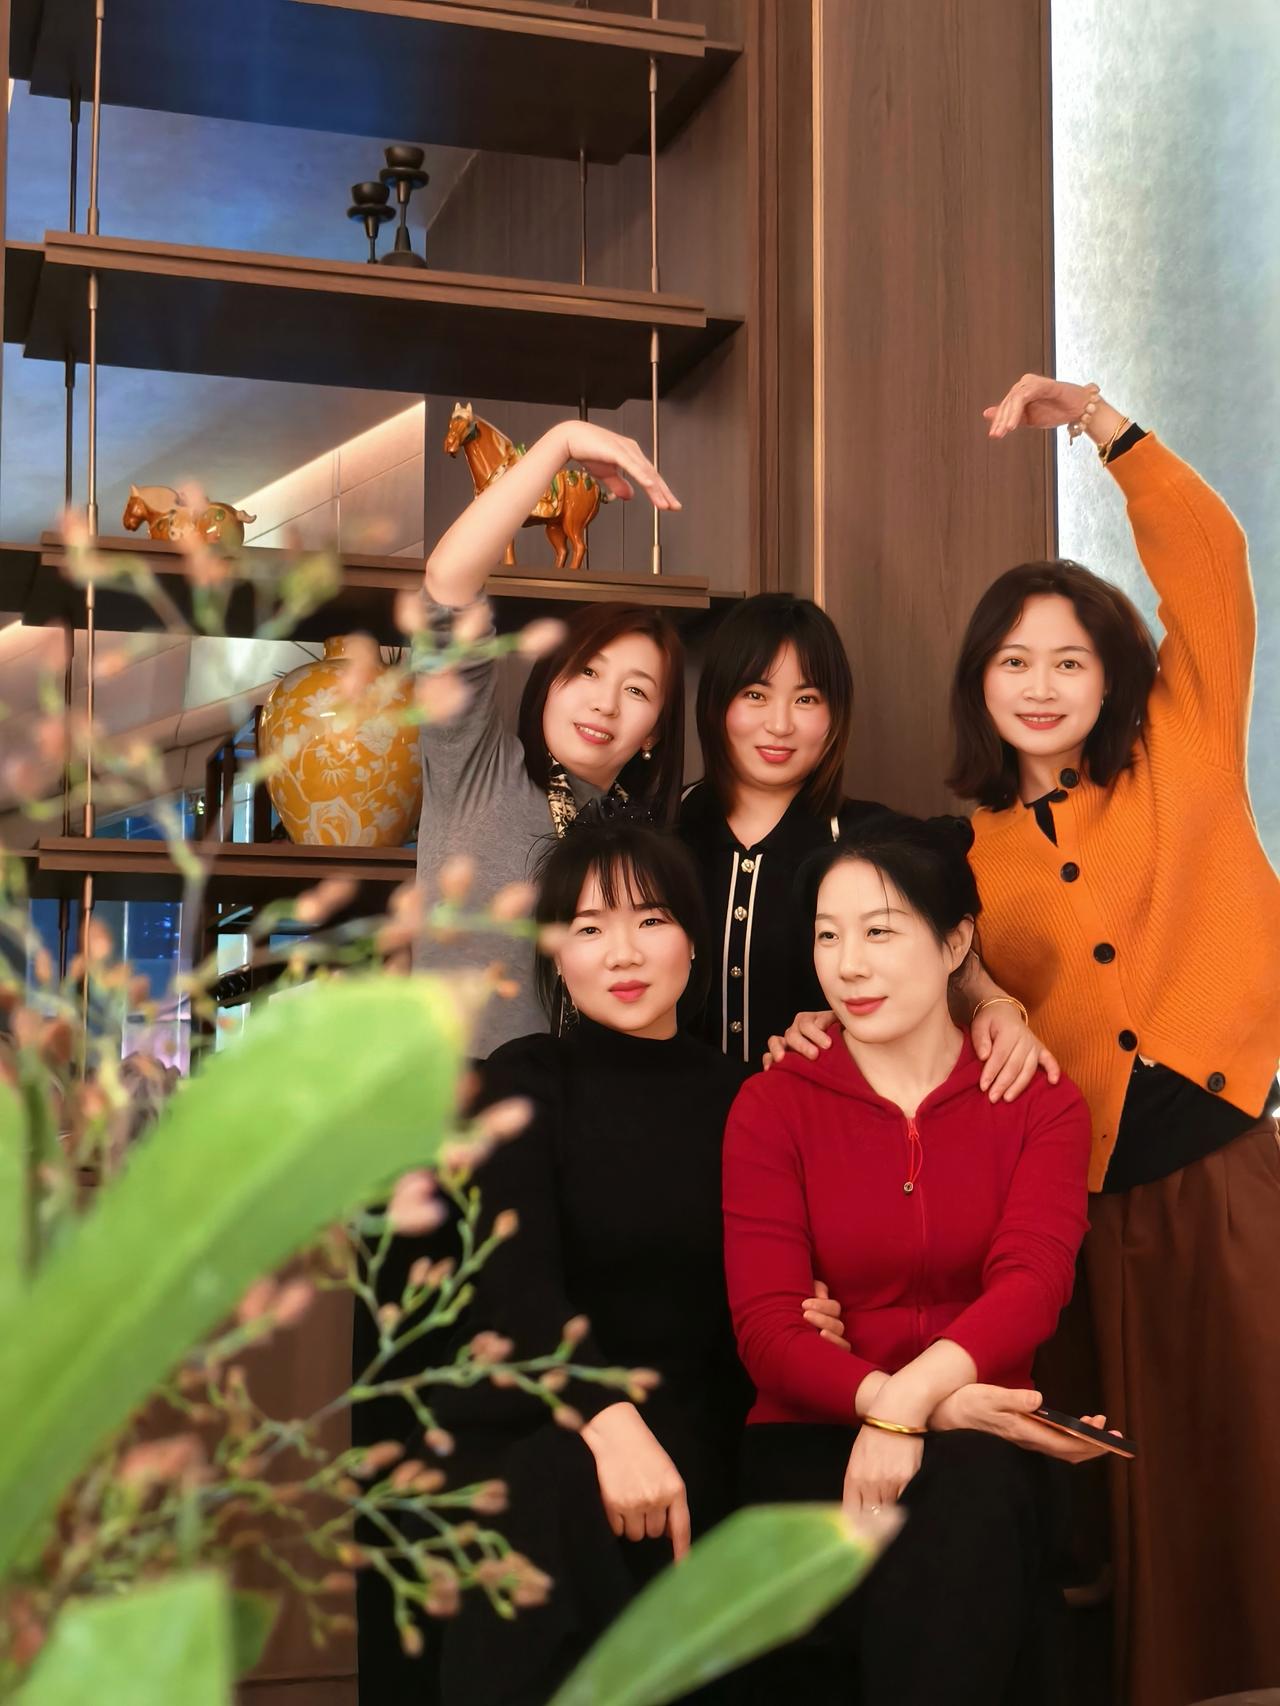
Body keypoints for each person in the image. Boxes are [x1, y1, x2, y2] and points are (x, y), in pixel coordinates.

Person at [944, 372, 1280, 1706]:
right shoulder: (968, 850)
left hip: (1228, 1158)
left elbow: (1213, 562)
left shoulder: (1183, 739)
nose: (1040, 686)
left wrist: (1100, 425)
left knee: (1255, 1447)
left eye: (1068, 659)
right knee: (1125, 1490)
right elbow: (941, 979)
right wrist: (987, 995)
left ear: (1110, 671)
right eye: (1013, 662)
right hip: (1081, 1204)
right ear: (979, 683)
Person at [723, 811, 1102, 1705]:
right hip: (813, 1436)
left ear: (956, 942)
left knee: (973, 1491)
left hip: (979, 1445)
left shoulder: (1040, 1103)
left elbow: (1034, 1284)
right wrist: (905, 1407)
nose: (848, 965)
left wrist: (909, 1406)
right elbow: (769, 1331)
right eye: (828, 936)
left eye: (880, 932)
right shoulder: (772, 1105)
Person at [430, 807, 755, 1706]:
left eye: (651, 920)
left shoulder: (749, 1098)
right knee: (551, 1484)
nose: (624, 953)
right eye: (589, 928)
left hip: (692, 1431)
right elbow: (512, 1287)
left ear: (694, 941)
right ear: (557, 956)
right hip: (541, 1416)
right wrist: (609, 1423)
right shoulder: (522, 1080)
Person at [685, 593, 1059, 1098]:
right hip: (675, 1123)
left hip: (826, 1120)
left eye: (806, 699)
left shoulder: (871, 840)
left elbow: (949, 944)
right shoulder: (667, 827)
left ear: (835, 714)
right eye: (755, 694)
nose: (780, 724)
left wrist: (996, 1007)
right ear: (716, 702)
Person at [417, 419, 684, 1057]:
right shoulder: (476, 767)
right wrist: (560, 443)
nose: (605, 702)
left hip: (590, 1103)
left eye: (637, 691)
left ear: (654, 730)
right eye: (587, 671)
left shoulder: (643, 844)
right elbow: (447, 586)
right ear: (550, 682)